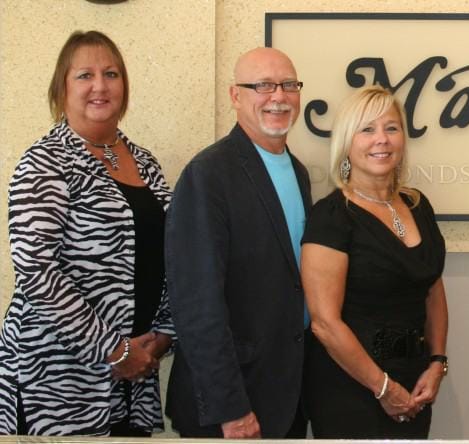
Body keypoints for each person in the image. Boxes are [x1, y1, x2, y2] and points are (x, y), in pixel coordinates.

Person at [0, 30, 173, 436]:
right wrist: (112, 350)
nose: (100, 85)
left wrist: (165, 332)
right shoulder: (44, 163)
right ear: (61, 88)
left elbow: (172, 252)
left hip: (134, 375)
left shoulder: (145, 162)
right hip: (57, 379)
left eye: (111, 74)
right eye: (84, 75)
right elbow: (35, 268)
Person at [164, 47, 311, 439]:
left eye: (289, 85)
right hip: (234, 407)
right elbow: (197, 304)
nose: (278, 96)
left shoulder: (298, 172)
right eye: (262, 85)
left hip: (285, 394)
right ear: (235, 96)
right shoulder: (208, 174)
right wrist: (231, 408)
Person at [300, 85, 448, 439]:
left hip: (415, 380)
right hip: (350, 388)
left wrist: (437, 363)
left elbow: (433, 289)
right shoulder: (332, 216)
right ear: (347, 143)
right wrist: (383, 388)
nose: (381, 140)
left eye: (391, 128)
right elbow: (324, 324)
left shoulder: (417, 204)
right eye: (367, 129)